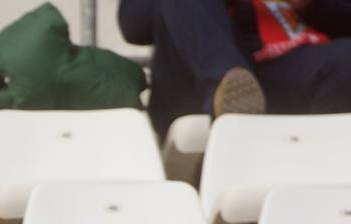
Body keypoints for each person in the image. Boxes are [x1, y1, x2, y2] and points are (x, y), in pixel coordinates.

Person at [118, 0, 351, 134]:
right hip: (202, 80)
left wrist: (313, 4)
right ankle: (229, 95)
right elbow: (135, 25)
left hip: (289, 69)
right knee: (229, 80)